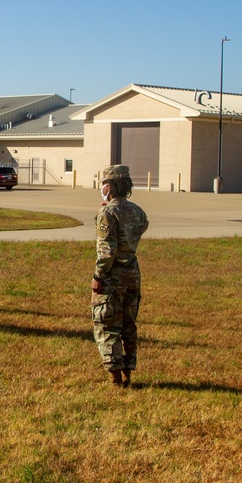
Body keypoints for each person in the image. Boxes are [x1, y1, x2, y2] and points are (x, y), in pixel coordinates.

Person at [90, 165, 149, 387]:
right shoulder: (137, 210)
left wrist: (98, 275)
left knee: (107, 324)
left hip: (112, 276)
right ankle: (127, 373)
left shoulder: (107, 213)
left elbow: (107, 251)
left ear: (110, 186)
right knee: (128, 325)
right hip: (132, 273)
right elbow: (140, 227)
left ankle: (115, 377)